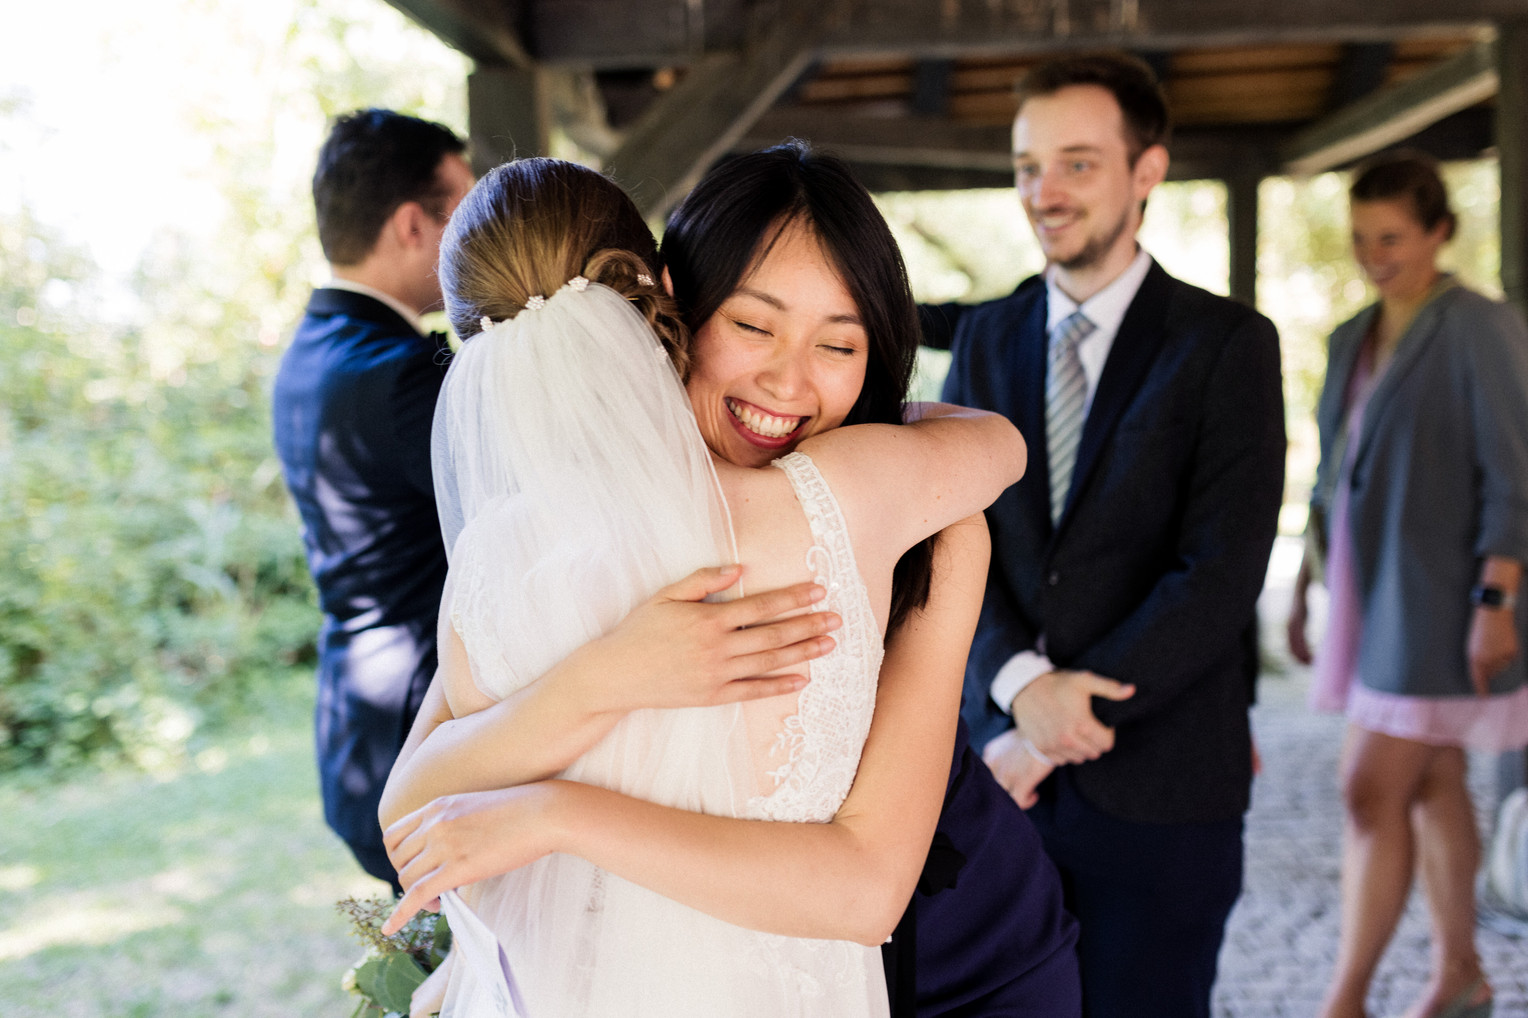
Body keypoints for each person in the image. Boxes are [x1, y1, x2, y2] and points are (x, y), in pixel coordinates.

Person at [377, 151, 1038, 1016]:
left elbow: (410, 813)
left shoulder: (505, 555)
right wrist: (610, 674)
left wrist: (556, 802)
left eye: (838, 343)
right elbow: (1000, 446)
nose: (788, 381)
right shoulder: (854, 499)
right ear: (667, 295)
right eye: (754, 327)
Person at [937, 52, 1286, 1017]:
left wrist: (1052, 728)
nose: (1044, 192)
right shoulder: (985, 338)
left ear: (1147, 172)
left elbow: (1218, 573)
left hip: (1162, 790)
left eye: (1078, 163)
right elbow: (951, 532)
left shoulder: (1228, 345)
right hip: (995, 783)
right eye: (1025, 166)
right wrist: (1015, 689)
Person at [1285, 151, 1528, 1018]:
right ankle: (1459, 973)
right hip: (1364, 591)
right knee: (1432, 782)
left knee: (1368, 790)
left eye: (1392, 237)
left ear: (1438, 233)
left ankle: (1343, 1001)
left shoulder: (1481, 325)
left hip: (1441, 602)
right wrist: (1308, 586)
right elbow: (1330, 474)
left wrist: (1496, 598)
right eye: (1360, 237)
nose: (1373, 253)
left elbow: (1516, 469)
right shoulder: (1352, 335)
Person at [271, 108, 473, 887]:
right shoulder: (400, 372)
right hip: (424, 737)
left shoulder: (309, 351)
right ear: (413, 225)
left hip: (353, 721)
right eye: (464, 215)